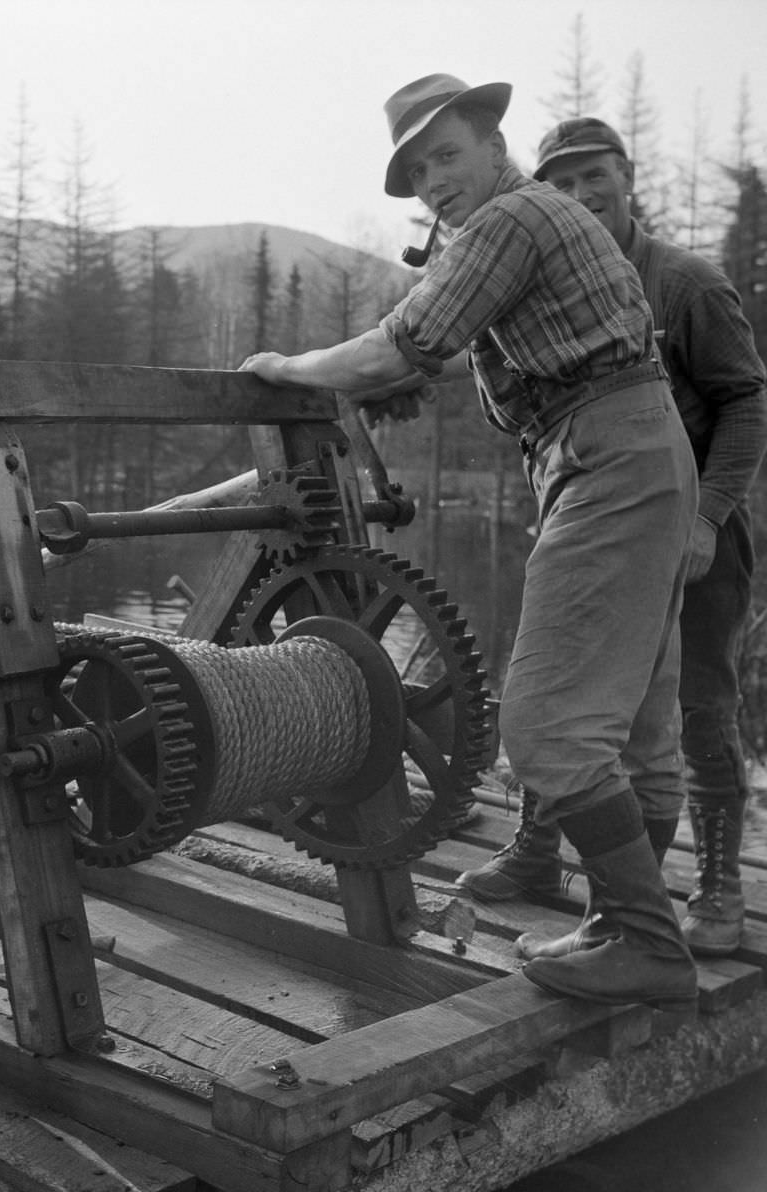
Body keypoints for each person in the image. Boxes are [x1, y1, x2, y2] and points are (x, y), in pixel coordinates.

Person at [240, 74, 700, 1012]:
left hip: (607, 457)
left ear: (494, 142)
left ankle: (648, 942)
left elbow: (396, 347)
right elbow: (464, 351)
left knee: (544, 726)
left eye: (445, 154)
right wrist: (417, 369)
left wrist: (287, 367)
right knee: (635, 721)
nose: (433, 183)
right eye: (415, 172)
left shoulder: (507, 222)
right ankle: (622, 925)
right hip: (632, 448)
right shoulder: (531, 222)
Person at [458, 118, 767, 960]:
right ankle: (536, 854)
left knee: (698, 704)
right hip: (596, 514)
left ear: (625, 176)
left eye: (594, 176)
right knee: (566, 683)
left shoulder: (687, 285)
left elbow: (747, 401)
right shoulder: (545, 278)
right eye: (559, 182)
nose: (580, 195)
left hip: (696, 523)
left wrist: (707, 515)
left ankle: (715, 885)